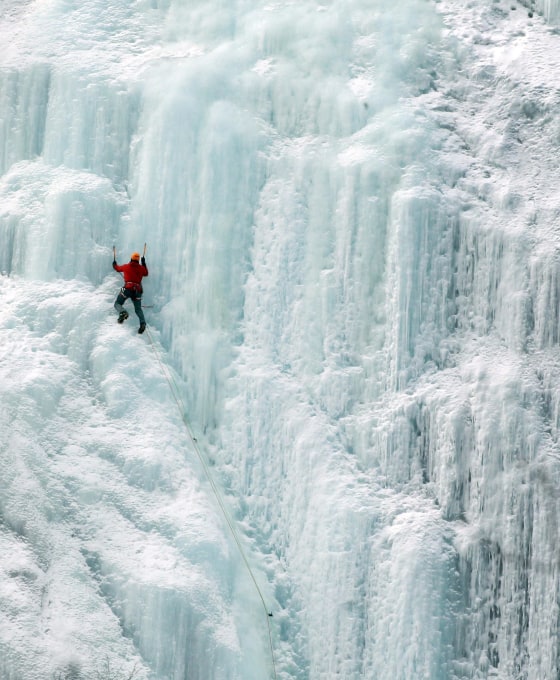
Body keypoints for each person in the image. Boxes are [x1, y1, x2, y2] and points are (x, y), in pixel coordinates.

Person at [113, 248, 149, 334]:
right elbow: (146, 273)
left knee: (117, 303)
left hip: (127, 288)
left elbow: (117, 268)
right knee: (138, 309)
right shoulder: (141, 268)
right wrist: (144, 263)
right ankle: (142, 323)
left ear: (131, 259)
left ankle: (122, 312)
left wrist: (114, 264)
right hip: (137, 291)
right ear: (138, 260)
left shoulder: (126, 266)